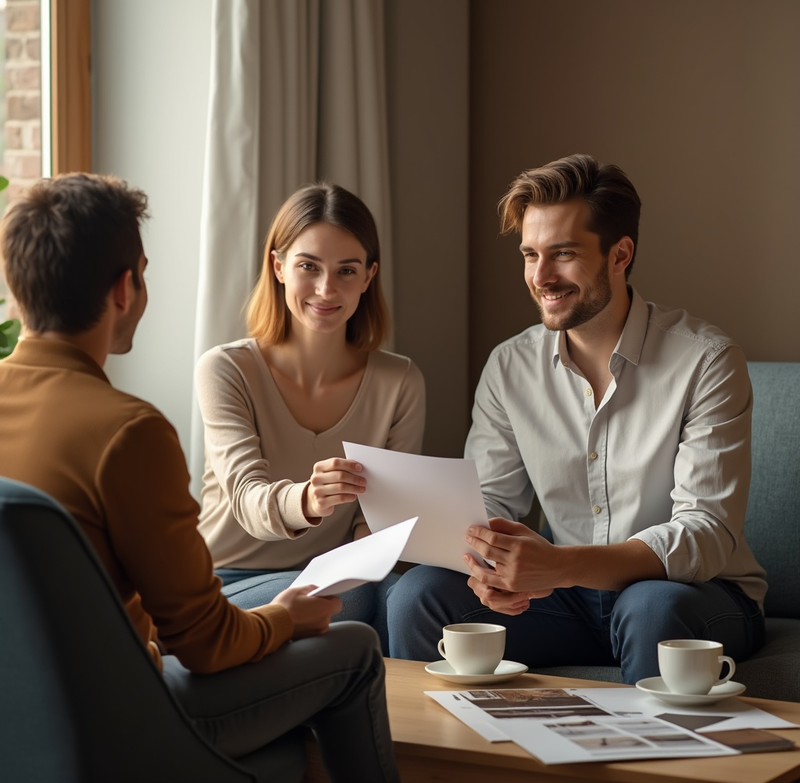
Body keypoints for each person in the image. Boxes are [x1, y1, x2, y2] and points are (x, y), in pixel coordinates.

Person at [0, 172, 400, 782]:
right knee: (356, 651)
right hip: (117, 721)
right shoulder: (126, 431)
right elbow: (207, 644)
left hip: (17, 720)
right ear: (126, 288)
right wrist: (286, 617)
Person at [387, 154, 766, 685]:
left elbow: (704, 535)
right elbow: (490, 504)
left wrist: (560, 565)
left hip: (694, 596)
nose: (541, 277)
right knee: (418, 596)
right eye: (529, 255)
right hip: (561, 601)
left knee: (651, 607)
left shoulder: (707, 360)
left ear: (620, 253)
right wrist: (486, 563)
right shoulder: (509, 365)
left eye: (562, 254)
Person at [195, 182, 425, 652]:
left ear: (368, 276)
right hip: (229, 581)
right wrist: (308, 500)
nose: (326, 289)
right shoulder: (226, 369)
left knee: (408, 596)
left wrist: (381, 537)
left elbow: (377, 521)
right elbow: (245, 499)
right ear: (278, 267)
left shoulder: (400, 381)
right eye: (308, 266)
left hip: (337, 576)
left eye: (346, 270)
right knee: (359, 598)